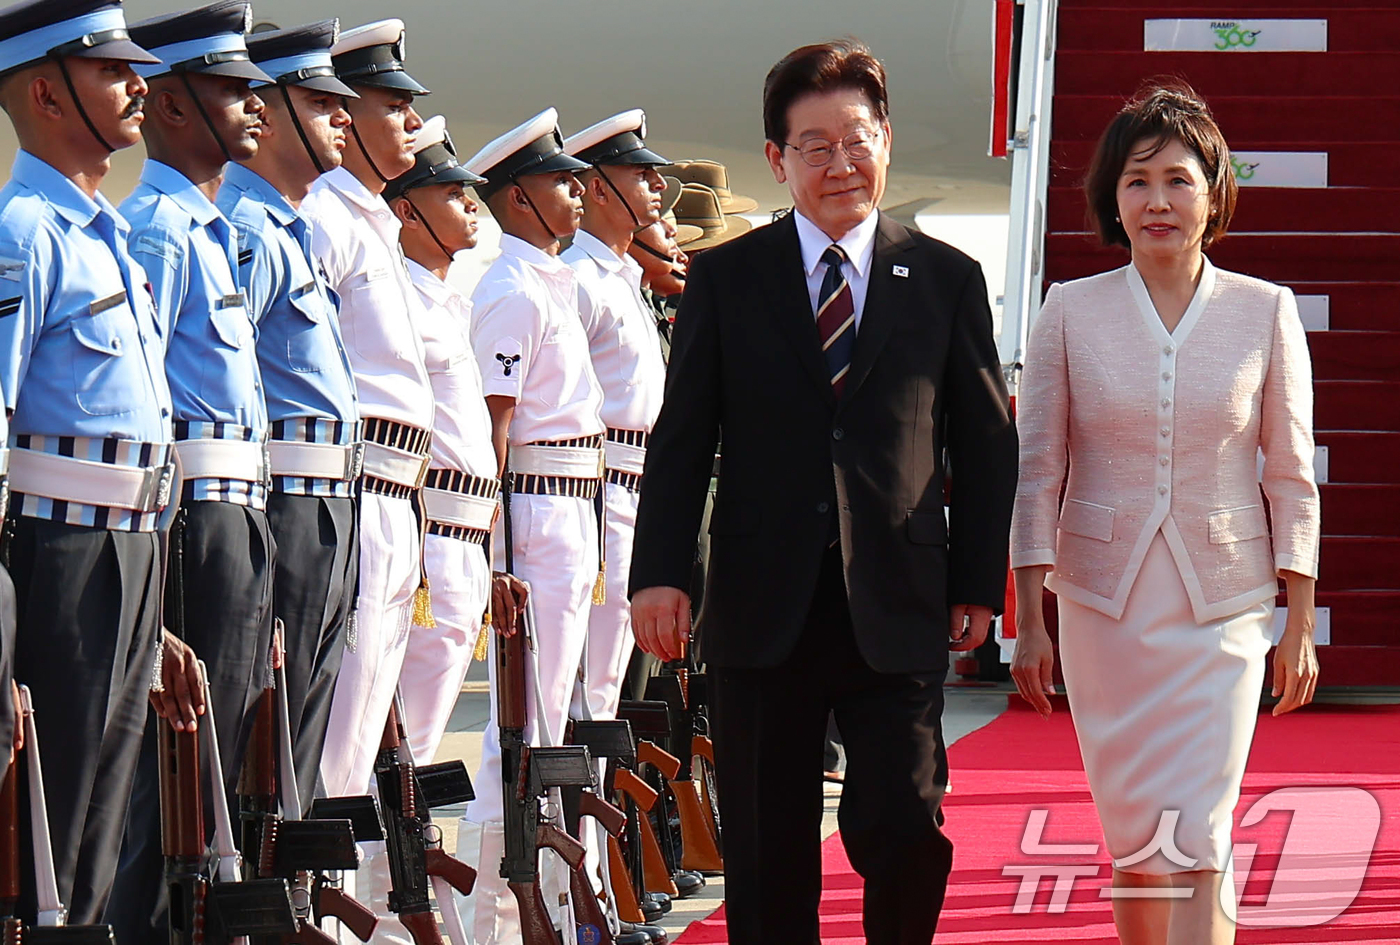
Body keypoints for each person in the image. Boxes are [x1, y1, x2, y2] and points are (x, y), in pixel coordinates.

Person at [629, 39, 1018, 945]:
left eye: (857, 139)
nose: (841, 163)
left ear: (883, 138)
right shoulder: (727, 279)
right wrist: (660, 572)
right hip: (763, 605)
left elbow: (986, 446)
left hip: (899, 598)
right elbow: (682, 440)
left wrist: (975, 581)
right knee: (766, 851)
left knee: (903, 820)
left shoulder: (948, 279)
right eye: (815, 145)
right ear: (778, 159)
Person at [1009, 83, 1320, 945]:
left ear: (1214, 192)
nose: (1158, 201)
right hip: (1102, 606)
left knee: (1202, 832)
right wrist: (1029, 618)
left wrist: (1297, 621)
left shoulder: (1265, 310)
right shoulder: (1070, 308)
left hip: (1225, 606)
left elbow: (1293, 474)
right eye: (1138, 181)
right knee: (1141, 840)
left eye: (1178, 180)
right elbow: (1038, 469)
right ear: (1113, 197)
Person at [0, 0, 184, 923]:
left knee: (103, 837)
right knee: (48, 826)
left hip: (134, 549)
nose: (138, 83)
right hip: (62, 556)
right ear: (43, 90)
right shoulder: (22, 232)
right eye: (112, 71)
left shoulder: (102, 230)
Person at [108, 5, 274, 937]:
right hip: (191, 526)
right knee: (165, 795)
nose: (255, 106)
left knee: (221, 785)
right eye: (231, 90)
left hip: (238, 520)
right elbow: (154, 413)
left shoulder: (208, 229)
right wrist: (165, 602)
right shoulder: (161, 233)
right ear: (171, 106)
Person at [456, 106, 603, 945]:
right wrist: (496, 553)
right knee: (519, 728)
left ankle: (544, 903)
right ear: (516, 198)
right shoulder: (509, 287)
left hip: (572, 504)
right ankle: (497, 921)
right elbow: (495, 430)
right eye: (558, 180)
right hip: (535, 512)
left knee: (550, 723)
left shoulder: (551, 278)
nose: (575, 191)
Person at [218, 18, 361, 812]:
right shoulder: (246, 231)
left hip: (331, 504)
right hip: (286, 506)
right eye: (321, 100)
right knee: (265, 750)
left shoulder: (288, 229)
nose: (344, 115)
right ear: (264, 111)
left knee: (302, 744)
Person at [302, 17, 432, 802]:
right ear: (344, 118)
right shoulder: (325, 218)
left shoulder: (374, 224)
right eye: (395, 106)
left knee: (363, 740)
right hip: (355, 491)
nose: (413, 122)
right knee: (338, 743)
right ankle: (325, 916)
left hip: (395, 495)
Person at [382, 115, 501, 767]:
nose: (469, 205)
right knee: (400, 754)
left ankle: (399, 871)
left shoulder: (447, 303)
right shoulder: (396, 301)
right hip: (428, 539)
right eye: (451, 194)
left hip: (465, 538)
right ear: (406, 212)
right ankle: (382, 874)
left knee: (417, 753)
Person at [561, 109, 670, 722]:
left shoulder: (621, 276)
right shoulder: (579, 276)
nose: (657, 186)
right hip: (599, 483)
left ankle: (591, 820)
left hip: (636, 483)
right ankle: (554, 819)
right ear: (598, 188)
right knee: (580, 683)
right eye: (641, 174)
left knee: (606, 684)